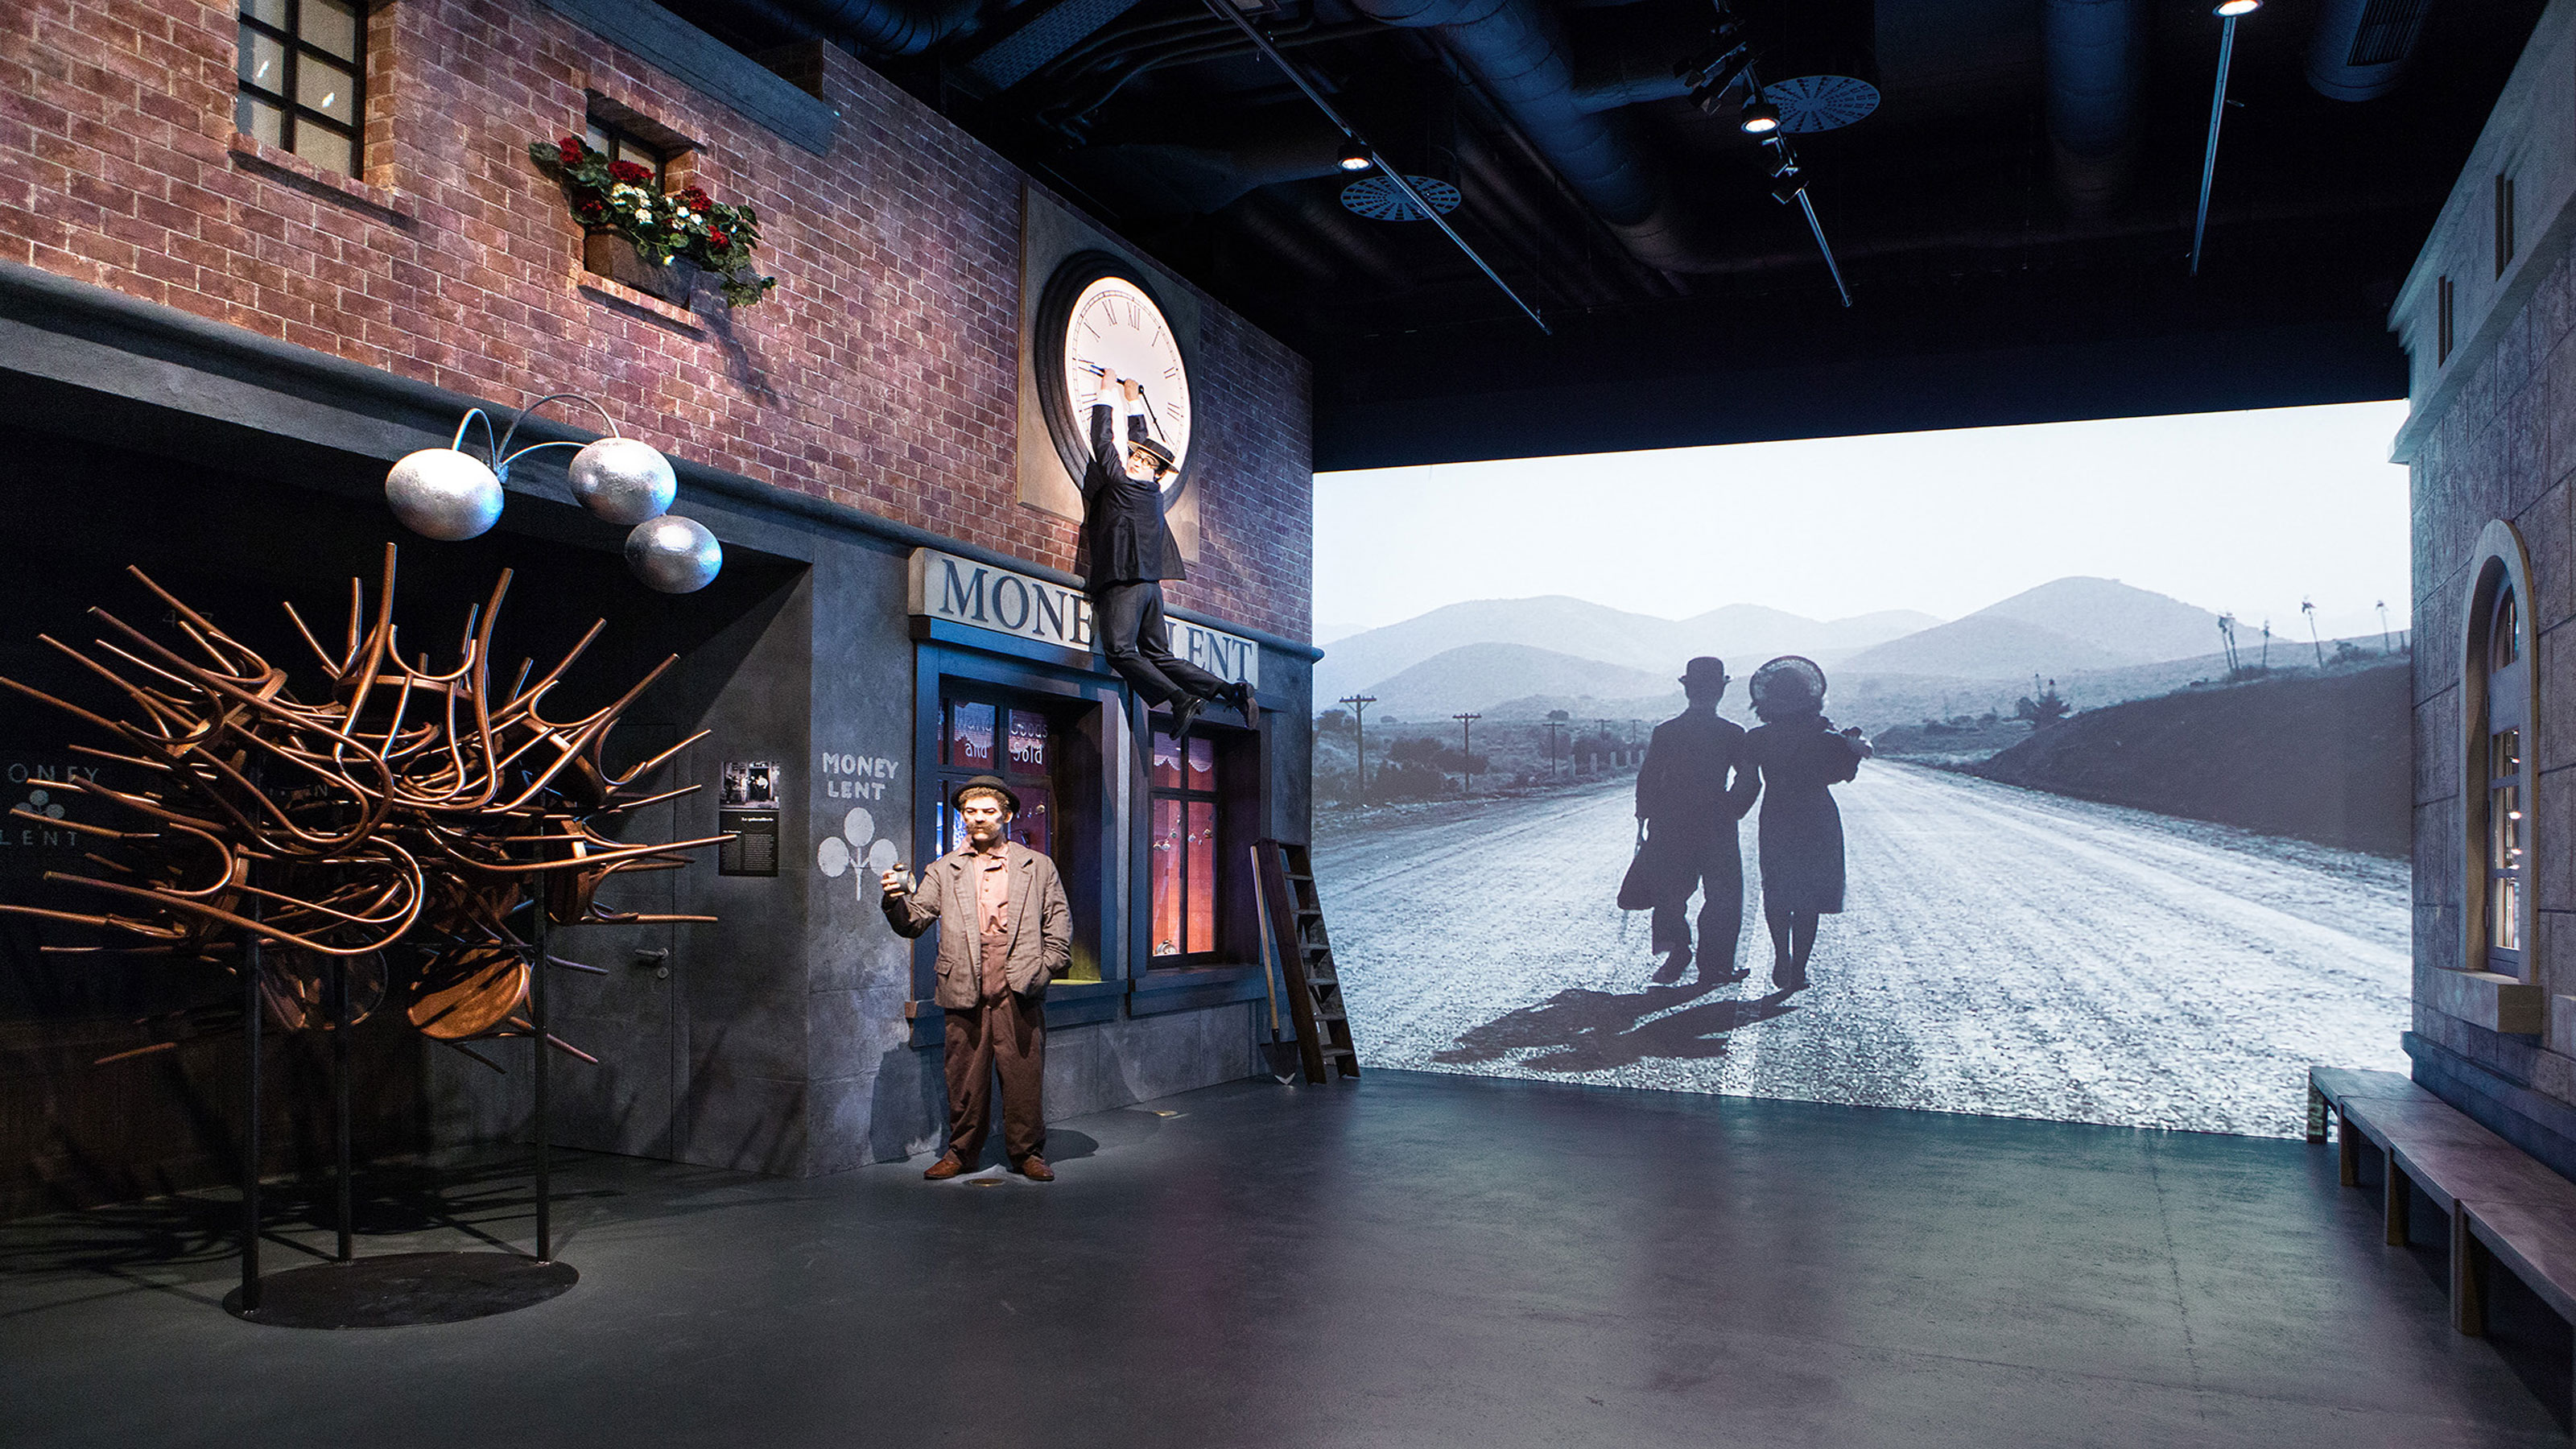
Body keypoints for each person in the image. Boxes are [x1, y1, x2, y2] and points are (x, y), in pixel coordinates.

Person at [881, 775, 1073, 1181]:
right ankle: (961, 1152)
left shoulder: (1036, 866)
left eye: (988, 811)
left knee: (1022, 1073)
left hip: (1020, 977)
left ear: (1006, 815)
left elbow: (1058, 923)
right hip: (963, 977)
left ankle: (1027, 1154)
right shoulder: (944, 868)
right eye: (970, 812)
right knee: (964, 1074)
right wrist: (894, 899)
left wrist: (1045, 967)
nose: (978, 819)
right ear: (962, 818)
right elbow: (914, 922)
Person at [1080, 369, 1250, 739]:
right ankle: (1228, 690)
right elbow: (1140, 444)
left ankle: (1179, 699)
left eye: (1142, 461)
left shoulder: (1123, 483)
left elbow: (1103, 441)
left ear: (1153, 473)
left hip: (1124, 584)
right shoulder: (1150, 493)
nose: (1134, 460)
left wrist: (1106, 393)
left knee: (1120, 651)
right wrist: (1133, 401)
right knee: (1159, 655)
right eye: (1135, 457)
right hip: (1151, 589)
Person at [1624, 656, 1758, 985]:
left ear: (1687, 690)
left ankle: (1678, 951)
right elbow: (1750, 780)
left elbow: (1649, 777)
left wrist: (1646, 815)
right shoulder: (1732, 733)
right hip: (1717, 824)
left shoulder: (1666, 732)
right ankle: (1715, 967)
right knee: (1723, 895)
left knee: (1670, 892)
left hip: (1671, 823)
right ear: (1720, 692)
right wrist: (1732, 808)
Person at [1740, 657, 1872, 992]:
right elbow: (1844, 775)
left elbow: (1747, 783)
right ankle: (1798, 967)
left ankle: (1781, 957)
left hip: (1777, 816)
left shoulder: (1757, 739)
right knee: (1809, 894)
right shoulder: (1829, 739)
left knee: (1777, 888)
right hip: (1817, 815)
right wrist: (1851, 747)